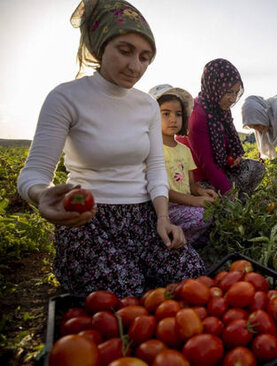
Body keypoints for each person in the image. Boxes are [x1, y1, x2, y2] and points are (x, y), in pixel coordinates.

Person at [16, 0, 205, 297]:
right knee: (123, 294)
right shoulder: (66, 98)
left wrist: (163, 219)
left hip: (143, 218)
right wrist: (41, 195)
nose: (135, 66)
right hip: (88, 221)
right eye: (125, 51)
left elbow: (155, 168)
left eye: (145, 57)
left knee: (190, 275)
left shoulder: (146, 106)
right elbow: (33, 174)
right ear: (101, 46)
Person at [149, 84, 218, 247]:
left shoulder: (184, 150)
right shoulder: (152, 148)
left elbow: (191, 184)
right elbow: (160, 189)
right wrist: (194, 201)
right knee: (202, 216)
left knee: (213, 211)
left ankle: (186, 241)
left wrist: (201, 192)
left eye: (178, 114)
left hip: (184, 204)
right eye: (166, 113)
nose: (173, 119)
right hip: (164, 209)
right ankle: (173, 243)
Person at [187, 58, 265, 197]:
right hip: (201, 179)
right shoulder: (197, 114)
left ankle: (236, 199)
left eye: (236, 92)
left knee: (257, 168)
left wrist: (234, 157)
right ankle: (232, 201)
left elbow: (228, 143)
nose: (233, 99)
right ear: (214, 86)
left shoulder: (221, 109)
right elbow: (208, 165)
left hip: (222, 169)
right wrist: (231, 197)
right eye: (229, 92)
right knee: (224, 200)